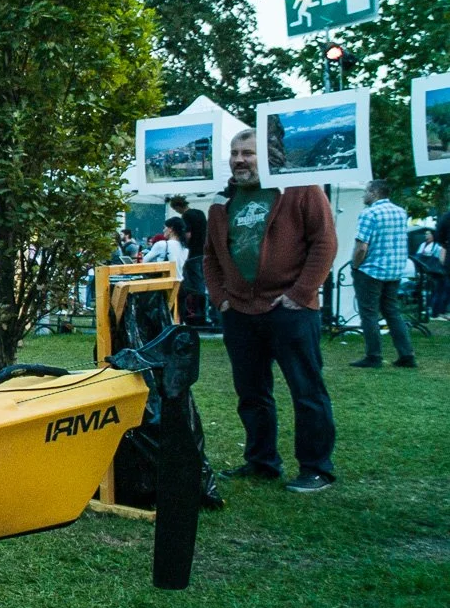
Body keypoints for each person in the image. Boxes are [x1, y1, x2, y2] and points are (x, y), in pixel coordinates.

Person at [204, 129, 337, 492]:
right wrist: (221, 298)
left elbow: (324, 241)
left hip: (289, 309)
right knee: (251, 393)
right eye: (234, 153)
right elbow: (211, 256)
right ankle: (261, 461)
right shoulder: (223, 201)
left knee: (306, 391)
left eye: (248, 152)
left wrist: (301, 292)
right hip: (240, 312)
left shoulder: (300, 189)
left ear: (269, 156)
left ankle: (316, 468)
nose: (239, 160)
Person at [349, 179, 417, 369]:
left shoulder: (369, 214)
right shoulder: (400, 212)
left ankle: (374, 355)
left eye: (366, 192)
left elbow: (361, 246)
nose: (364, 195)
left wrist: (355, 266)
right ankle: (406, 354)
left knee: (369, 313)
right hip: (394, 270)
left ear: (375, 192)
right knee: (392, 312)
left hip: (371, 270)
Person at [168, 195, 211, 325]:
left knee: (194, 283)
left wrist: (182, 245)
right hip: (204, 252)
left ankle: (197, 312)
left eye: (176, 210)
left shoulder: (186, 217)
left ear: (178, 206)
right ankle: (205, 312)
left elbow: (188, 234)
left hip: (192, 254)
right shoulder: (200, 213)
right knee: (203, 281)